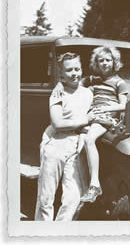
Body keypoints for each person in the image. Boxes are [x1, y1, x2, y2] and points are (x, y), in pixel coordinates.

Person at [53, 46, 128, 203]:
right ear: (96, 63)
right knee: (79, 146)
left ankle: (95, 185)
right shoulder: (93, 79)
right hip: (92, 116)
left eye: (108, 60)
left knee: (88, 140)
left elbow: (123, 105)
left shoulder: (119, 82)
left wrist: (107, 107)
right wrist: (60, 84)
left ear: (114, 62)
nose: (104, 63)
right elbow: (73, 81)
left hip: (106, 116)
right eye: (101, 60)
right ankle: (81, 188)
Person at [34, 52, 93, 221]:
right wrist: (84, 120)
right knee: (46, 198)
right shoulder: (58, 93)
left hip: (77, 146)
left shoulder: (88, 93)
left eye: (77, 68)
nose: (74, 73)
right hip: (56, 144)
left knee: (74, 198)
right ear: (61, 74)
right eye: (69, 70)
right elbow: (57, 123)